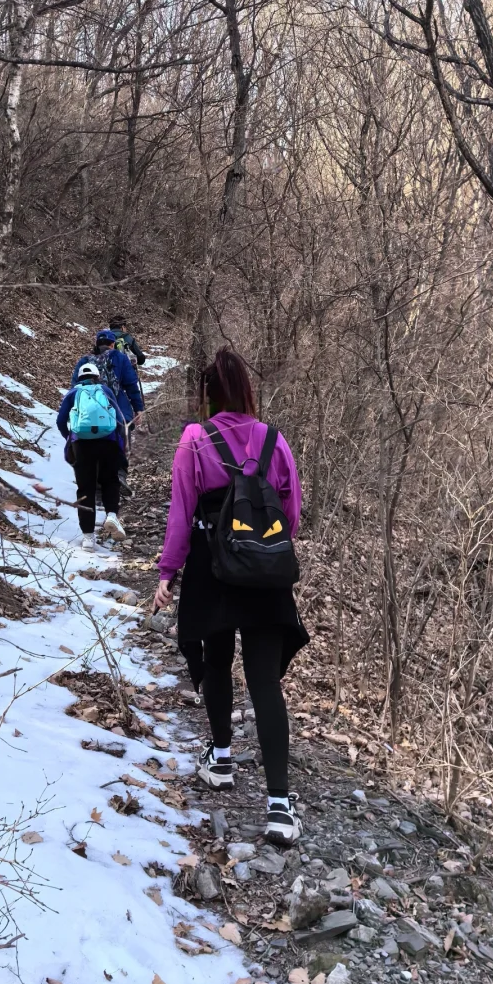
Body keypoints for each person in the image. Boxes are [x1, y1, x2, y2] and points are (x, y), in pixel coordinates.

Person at [152, 347, 307, 845]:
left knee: (216, 660)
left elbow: (181, 513)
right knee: (264, 682)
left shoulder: (195, 441)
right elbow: (291, 515)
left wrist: (168, 572)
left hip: (211, 566)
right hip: (265, 572)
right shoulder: (275, 441)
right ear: (246, 392)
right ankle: (279, 807)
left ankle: (220, 761)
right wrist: (261, 551)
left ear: (209, 394)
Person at [57, 362, 127, 549]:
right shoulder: (105, 390)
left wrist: (70, 437)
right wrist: (120, 443)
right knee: (110, 481)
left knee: (85, 488)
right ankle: (111, 515)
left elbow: (60, 420)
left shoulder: (73, 393)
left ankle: (88, 537)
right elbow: (118, 418)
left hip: (82, 444)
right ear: (97, 377)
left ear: (79, 378)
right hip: (108, 441)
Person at [71, 329, 145, 493]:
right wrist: (138, 408)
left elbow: (75, 388)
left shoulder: (85, 361)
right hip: (117, 409)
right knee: (122, 434)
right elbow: (131, 385)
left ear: (96, 344)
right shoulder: (121, 358)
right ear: (113, 344)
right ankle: (120, 473)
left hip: (90, 411)